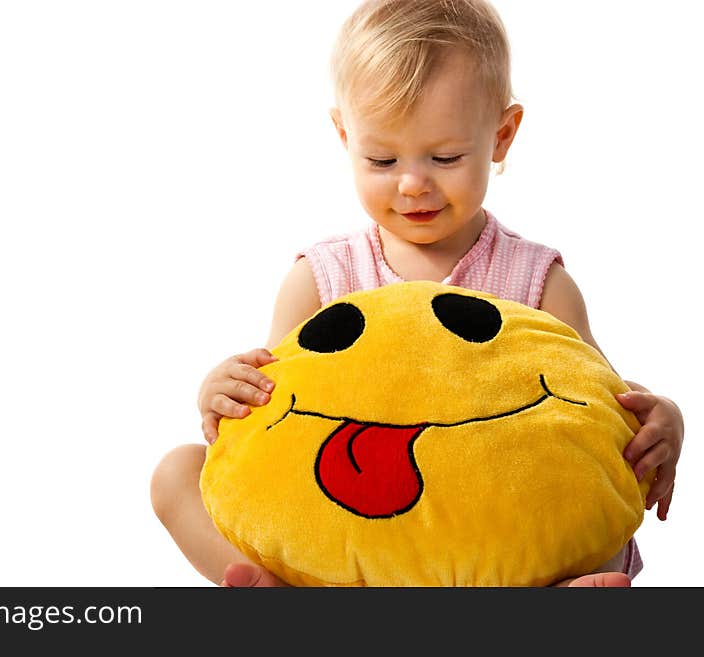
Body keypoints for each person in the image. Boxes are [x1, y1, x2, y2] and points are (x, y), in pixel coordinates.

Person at [150, 0, 684, 588]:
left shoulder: (537, 280)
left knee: (594, 503)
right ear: (344, 136)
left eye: (445, 157)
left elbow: (598, 406)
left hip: (493, 537)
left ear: (501, 136)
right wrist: (222, 393)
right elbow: (274, 415)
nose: (412, 183)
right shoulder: (321, 276)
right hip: (348, 531)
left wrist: (664, 420)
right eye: (381, 158)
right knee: (176, 474)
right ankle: (292, 590)